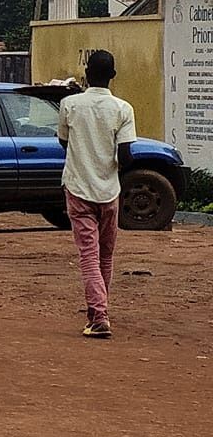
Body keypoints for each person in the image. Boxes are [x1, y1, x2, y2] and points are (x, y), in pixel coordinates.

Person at [57, 49, 136, 338]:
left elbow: (64, 142)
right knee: (106, 256)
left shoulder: (69, 105)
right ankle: (98, 311)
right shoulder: (123, 109)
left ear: (87, 74)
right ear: (113, 75)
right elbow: (125, 156)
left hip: (78, 188)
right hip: (109, 190)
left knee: (88, 254)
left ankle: (99, 315)